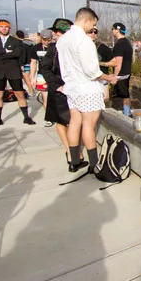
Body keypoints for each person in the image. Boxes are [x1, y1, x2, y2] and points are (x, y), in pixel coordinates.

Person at [56, 8, 117, 174]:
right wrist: (109, 78)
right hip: (87, 88)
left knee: (75, 122)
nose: (93, 28)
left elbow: (64, 66)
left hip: (72, 87)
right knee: (88, 125)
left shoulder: (63, 40)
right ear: (86, 20)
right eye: (93, 24)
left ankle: (74, 161)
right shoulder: (84, 40)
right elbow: (92, 71)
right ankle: (94, 164)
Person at [41, 19, 88, 171]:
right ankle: (71, 153)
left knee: (76, 121)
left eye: (60, 32)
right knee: (61, 121)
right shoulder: (53, 48)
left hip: (76, 88)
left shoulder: (75, 45)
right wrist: (57, 85)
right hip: (60, 89)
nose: (56, 35)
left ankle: (76, 152)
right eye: (57, 32)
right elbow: (45, 68)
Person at [0, 19, 36, 127]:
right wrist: (6, 51)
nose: (4, 28)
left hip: (13, 70)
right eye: (1, 26)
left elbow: (17, 53)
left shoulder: (16, 41)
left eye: (6, 27)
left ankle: (26, 117)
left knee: (19, 94)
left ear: (9, 28)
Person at [100, 22, 132, 116]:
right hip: (126, 72)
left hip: (121, 75)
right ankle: (128, 112)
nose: (112, 31)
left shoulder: (120, 44)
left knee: (123, 95)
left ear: (117, 30)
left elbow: (118, 62)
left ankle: (126, 115)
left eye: (113, 29)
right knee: (125, 94)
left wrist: (115, 76)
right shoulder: (127, 42)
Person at [30, 29, 54, 126]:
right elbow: (33, 62)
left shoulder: (55, 47)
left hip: (54, 74)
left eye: (49, 40)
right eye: (45, 40)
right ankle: (49, 117)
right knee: (46, 98)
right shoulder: (36, 48)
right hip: (42, 75)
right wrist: (33, 77)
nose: (47, 42)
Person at [88, 27, 114, 105]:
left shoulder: (101, 47)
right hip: (87, 81)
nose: (93, 34)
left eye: (95, 32)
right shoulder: (79, 46)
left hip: (102, 78)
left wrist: (100, 63)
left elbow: (114, 62)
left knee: (104, 100)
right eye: (90, 31)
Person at [17, 30, 36, 97]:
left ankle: (31, 90)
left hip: (24, 62)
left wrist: (21, 64)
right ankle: (31, 89)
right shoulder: (29, 43)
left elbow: (22, 55)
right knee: (27, 77)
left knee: (26, 78)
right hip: (30, 61)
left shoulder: (20, 44)